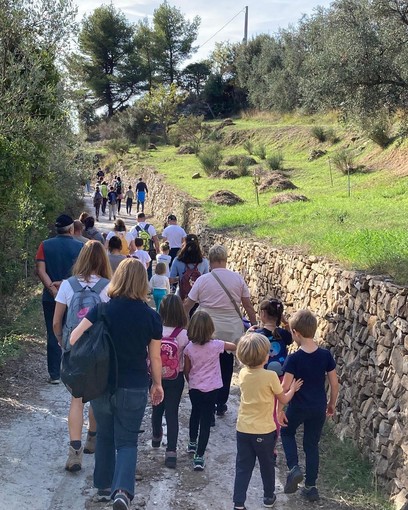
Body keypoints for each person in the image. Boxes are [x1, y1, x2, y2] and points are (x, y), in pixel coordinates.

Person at [69, 258, 164, 509]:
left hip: (102, 385)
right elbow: (155, 356)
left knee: (105, 436)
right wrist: (157, 384)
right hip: (133, 386)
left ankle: (102, 486)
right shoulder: (151, 317)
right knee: (127, 441)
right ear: (142, 282)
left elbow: (73, 338)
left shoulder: (102, 309)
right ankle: (122, 491)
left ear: (118, 279)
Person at [53, 241, 111, 472]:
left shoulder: (68, 285)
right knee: (96, 395)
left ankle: (74, 453)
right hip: (99, 350)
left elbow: (57, 320)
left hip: (74, 348)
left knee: (76, 398)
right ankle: (92, 440)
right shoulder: (109, 286)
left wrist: (62, 340)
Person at [184, 245, 256, 418]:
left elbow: (188, 304)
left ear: (210, 260)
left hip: (208, 327)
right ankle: (221, 402)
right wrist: (255, 326)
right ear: (225, 259)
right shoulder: (237, 279)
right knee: (226, 363)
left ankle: (208, 398)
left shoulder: (203, 280)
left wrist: (185, 324)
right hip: (231, 327)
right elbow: (247, 305)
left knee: (207, 361)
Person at [232, 333, 302, 510]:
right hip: (264, 430)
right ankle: (268, 497)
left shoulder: (243, 374)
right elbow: (283, 399)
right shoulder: (270, 376)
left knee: (243, 467)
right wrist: (292, 388)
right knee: (267, 465)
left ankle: (238, 503)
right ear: (264, 356)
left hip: (243, 429)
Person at [279, 309, 339, 503]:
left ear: (295, 332)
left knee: (287, 433)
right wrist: (331, 403)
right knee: (311, 445)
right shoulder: (325, 355)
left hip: (298, 407)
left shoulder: (294, 359)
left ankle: (294, 468)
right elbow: (334, 383)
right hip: (318, 406)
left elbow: (285, 387)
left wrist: (279, 410)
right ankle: (311, 488)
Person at [184, 311, 237, 471]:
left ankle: (192, 442)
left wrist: (190, 380)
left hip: (195, 388)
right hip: (212, 388)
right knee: (206, 421)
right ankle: (199, 456)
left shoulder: (188, 348)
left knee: (195, 413)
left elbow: (187, 369)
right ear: (210, 328)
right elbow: (234, 346)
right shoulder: (217, 345)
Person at [35, 214, 83, 383]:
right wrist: (65, 284)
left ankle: (54, 374)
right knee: (74, 330)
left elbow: (40, 269)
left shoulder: (45, 245)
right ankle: (71, 370)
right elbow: (83, 273)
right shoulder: (81, 247)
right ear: (71, 229)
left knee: (52, 331)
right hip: (75, 297)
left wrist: (52, 289)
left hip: (50, 297)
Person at [151, 295, 189, 468]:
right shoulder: (183, 334)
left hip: (156, 376)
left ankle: (156, 435)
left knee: (157, 407)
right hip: (176, 377)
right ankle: (171, 452)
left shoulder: (155, 329)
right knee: (172, 412)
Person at [169, 234, 209, 300]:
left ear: (184, 243)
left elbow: (171, 280)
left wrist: (181, 278)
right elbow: (206, 280)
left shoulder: (177, 260)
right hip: (198, 298)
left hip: (182, 297)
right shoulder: (204, 261)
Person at [130, 213, 160, 279]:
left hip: (137, 252)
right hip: (149, 251)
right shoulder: (150, 227)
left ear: (137, 218)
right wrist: (157, 249)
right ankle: (148, 284)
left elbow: (131, 241)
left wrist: (131, 251)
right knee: (149, 269)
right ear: (144, 218)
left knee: (136, 269)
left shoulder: (134, 228)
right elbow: (156, 239)